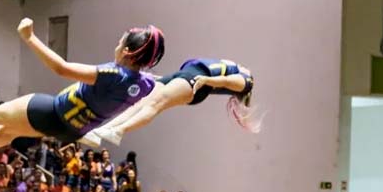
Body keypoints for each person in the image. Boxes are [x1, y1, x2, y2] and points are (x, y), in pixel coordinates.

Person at [0, 18, 163, 160]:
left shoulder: (114, 75)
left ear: (128, 52)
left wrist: (29, 38)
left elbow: (62, 68)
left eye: (120, 42)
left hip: (53, 110)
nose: (117, 44)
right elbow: (160, 81)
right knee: (8, 130)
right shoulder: (144, 84)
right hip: (69, 130)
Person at [83, 58, 260, 146]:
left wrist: (206, 81)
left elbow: (228, 82)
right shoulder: (235, 66)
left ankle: (119, 130)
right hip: (186, 74)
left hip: (196, 82)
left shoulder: (246, 81)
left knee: (155, 104)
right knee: (140, 101)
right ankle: (103, 130)